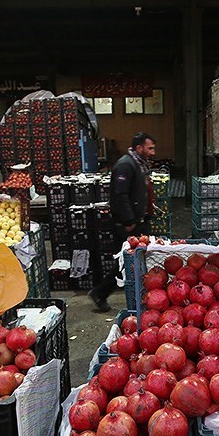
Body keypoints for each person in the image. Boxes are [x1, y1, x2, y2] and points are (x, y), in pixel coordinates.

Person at [88, 132, 156, 312]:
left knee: (133, 262)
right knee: (125, 263)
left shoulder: (138, 164)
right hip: (127, 225)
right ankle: (100, 292)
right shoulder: (126, 165)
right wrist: (129, 220)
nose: (152, 152)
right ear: (139, 148)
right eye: (150, 148)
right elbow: (120, 194)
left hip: (137, 221)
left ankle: (141, 297)